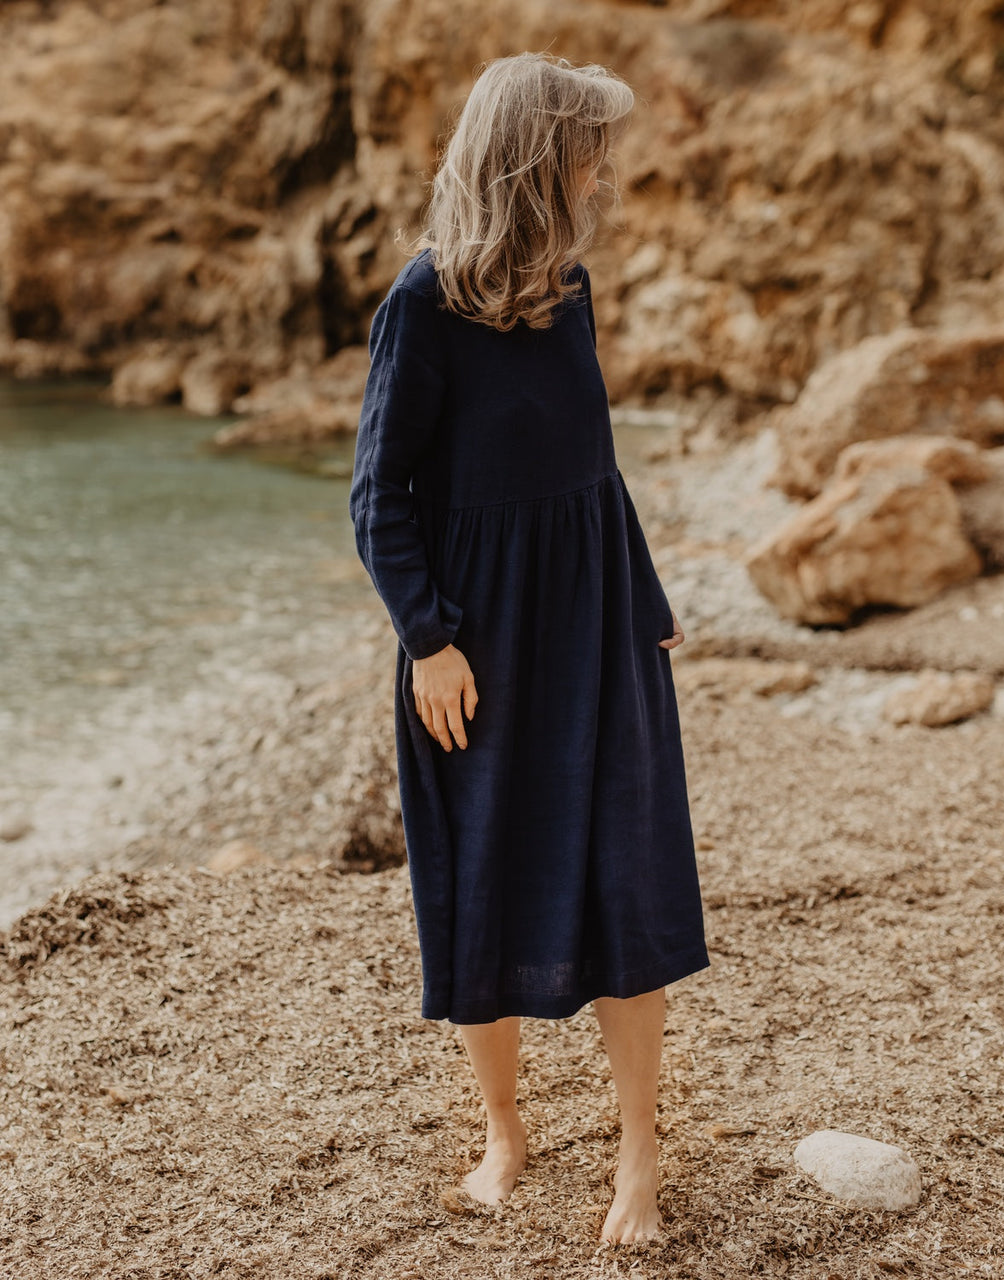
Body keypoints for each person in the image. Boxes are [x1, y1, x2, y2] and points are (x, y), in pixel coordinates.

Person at [349, 51, 709, 1245]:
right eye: (587, 143)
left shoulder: (571, 283)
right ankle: (506, 1132)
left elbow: (592, 473)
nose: (602, 166)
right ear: (536, 153)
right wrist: (430, 640)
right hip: (477, 644)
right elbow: (377, 494)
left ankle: (640, 1156)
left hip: (595, 625)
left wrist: (645, 600)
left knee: (629, 876)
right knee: (480, 876)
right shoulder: (422, 302)